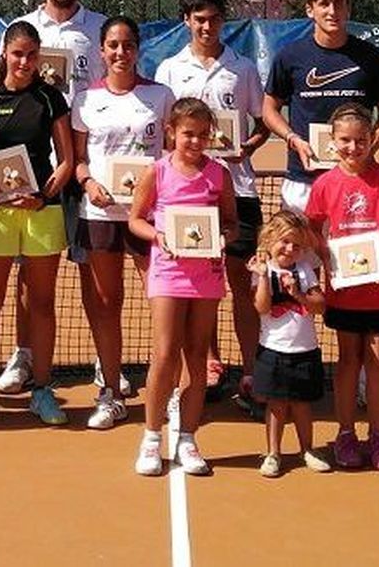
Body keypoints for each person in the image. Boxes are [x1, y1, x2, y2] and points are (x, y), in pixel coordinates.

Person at [0, 0, 107, 394]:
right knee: (29, 271)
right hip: (33, 169)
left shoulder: (99, 30)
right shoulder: (22, 30)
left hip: (85, 169)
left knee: (93, 272)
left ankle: (106, 358)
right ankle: (24, 356)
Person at [155, 0, 270, 413]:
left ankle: (252, 372)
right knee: (200, 285)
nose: (207, 26)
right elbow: (166, 131)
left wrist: (248, 148)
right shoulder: (169, 69)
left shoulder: (241, 69)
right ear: (187, 20)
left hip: (237, 189)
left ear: (224, 21)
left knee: (243, 283)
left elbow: (262, 121)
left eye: (214, 19)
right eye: (199, 18)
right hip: (186, 196)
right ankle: (210, 363)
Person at [0, 22, 74, 429]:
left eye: (31, 55)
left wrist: (42, 196)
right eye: (17, 54)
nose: (24, 62)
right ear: (4, 54)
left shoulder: (50, 98)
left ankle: (41, 388)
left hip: (42, 212)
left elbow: (66, 161)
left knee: (42, 304)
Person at [70, 15, 173, 429]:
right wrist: (89, 182)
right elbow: (78, 160)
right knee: (107, 304)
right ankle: (111, 392)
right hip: (99, 215)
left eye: (128, 45)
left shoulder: (160, 95)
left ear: (137, 49)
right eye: (113, 45)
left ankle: (169, 392)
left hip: (148, 218)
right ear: (101, 50)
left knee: (164, 304)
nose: (120, 53)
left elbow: (170, 154)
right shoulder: (85, 100)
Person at [127, 98, 238, 477]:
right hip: (168, 273)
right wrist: (160, 238)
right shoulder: (156, 172)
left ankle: (188, 438)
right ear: (172, 132)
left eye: (203, 135)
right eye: (188, 133)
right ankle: (151, 438)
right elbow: (135, 220)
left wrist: (222, 238)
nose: (195, 141)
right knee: (164, 354)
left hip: (207, 274)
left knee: (197, 357)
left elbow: (231, 223)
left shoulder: (219, 174)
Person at [306, 102, 379, 472]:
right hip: (344, 289)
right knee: (348, 359)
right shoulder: (324, 184)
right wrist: (327, 256)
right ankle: (346, 433)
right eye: (345, 141)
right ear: (333, 142)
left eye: (361, 140)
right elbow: (310, 227)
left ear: (372, 139)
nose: (353, 147)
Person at [261, 0, 379, 215]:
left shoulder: (373, 58)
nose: (332, 11)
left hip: (356, 180)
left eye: (339, 3)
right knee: (298, 252)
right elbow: (269, 109)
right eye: (324, 3)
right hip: (303, 180)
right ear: (310, 9)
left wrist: (366, 151)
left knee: (353, 254)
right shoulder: (290, 56)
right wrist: (294, 140)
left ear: (348, 9)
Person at [248, 210, 331, 478]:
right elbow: (261, 307)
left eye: (296, 245)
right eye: (284, 241)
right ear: (270, 239)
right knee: (276, 405)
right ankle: (273, 453)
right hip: (272, 350)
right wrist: (262, 277)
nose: (290, 248)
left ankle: (307, 449)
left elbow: (319, 306)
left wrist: (299, 294)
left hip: (305, 350)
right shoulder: (262, 270)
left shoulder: (305, 270)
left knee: (302, 405)